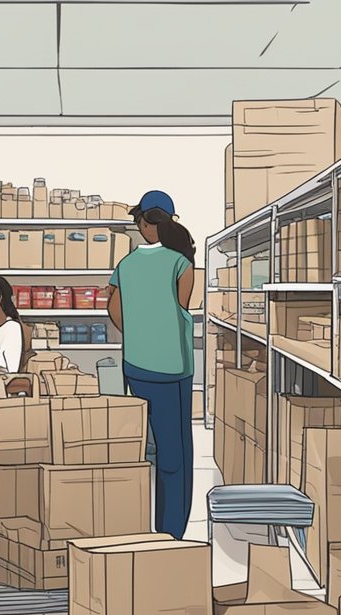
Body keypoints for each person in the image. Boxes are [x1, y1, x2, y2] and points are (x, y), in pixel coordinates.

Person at [107, 190, 196, 541]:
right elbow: (183, 304)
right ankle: (170, 531)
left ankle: (142, 528)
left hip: (136, 366)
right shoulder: (180, 262)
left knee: (146, 446)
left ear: (143, 223)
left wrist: (139, 330)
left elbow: (113, 309)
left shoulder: (124, 266)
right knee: (176, 454)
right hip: (172, 367)